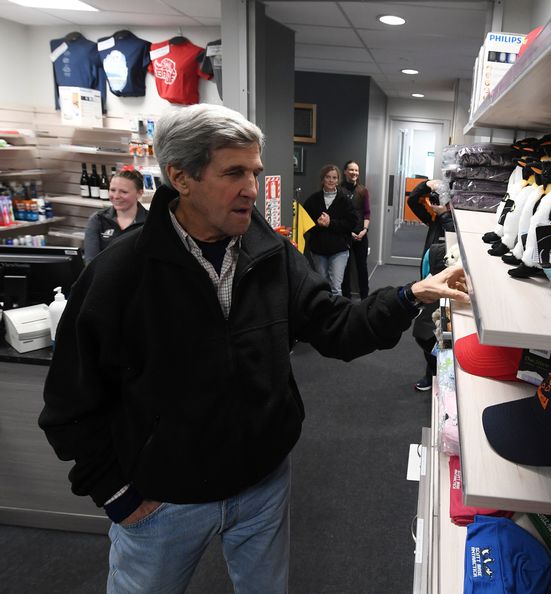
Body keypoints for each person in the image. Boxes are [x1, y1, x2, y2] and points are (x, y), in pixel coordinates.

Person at [38, 103, 468, 594]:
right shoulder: (120, 273)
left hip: (263, 485)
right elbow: (69, 404)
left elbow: (335, 325)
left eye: (255, 172)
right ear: (181, 176)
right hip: (162, 502)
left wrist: (409, 295)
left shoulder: (271, 255)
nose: (252, 188)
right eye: (234, 172)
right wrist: (117, 495)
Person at [407, 178, 454, 391]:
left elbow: (454, 235)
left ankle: (439, 375)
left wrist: (445, 212)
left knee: (435, 330)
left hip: (449, 281)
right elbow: (413, 202)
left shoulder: (453, 221)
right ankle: (431, 372)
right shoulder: (435, 220)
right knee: (428, 330)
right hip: (428, 276)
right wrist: (428, 185)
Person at [302, 164, 357, 296]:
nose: (331, 180)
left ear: (338, 180)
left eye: (334, 177)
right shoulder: (312, 200)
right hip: (318, 251)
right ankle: (323, 314)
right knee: (322, 286)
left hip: (339, 250)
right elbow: (305, 224)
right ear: (323, 179)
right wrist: (318, 224)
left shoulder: (345, 200)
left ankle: (336, 316)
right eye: (328, 177)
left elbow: (351, 223)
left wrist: (330, 223)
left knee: (335, 288)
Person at [82, 168, 148, 263]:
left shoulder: (150, 222)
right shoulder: (98, 220)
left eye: (124, 192)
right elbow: (91, 263)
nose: (116, 196)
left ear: (139, 193)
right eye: (112, 190)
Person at [340, 159, 371, 299]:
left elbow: (367, 212)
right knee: (344, 268)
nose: (354, 173)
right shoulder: (339, 190)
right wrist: (349, 232)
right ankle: (346, 298)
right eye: (351, 170)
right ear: (345, 171)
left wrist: (364, 230)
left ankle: (365, 297)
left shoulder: (363, 190)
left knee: (362, 267)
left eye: (356, 170)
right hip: (345, 235)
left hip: (361, 234)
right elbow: (338, 214)